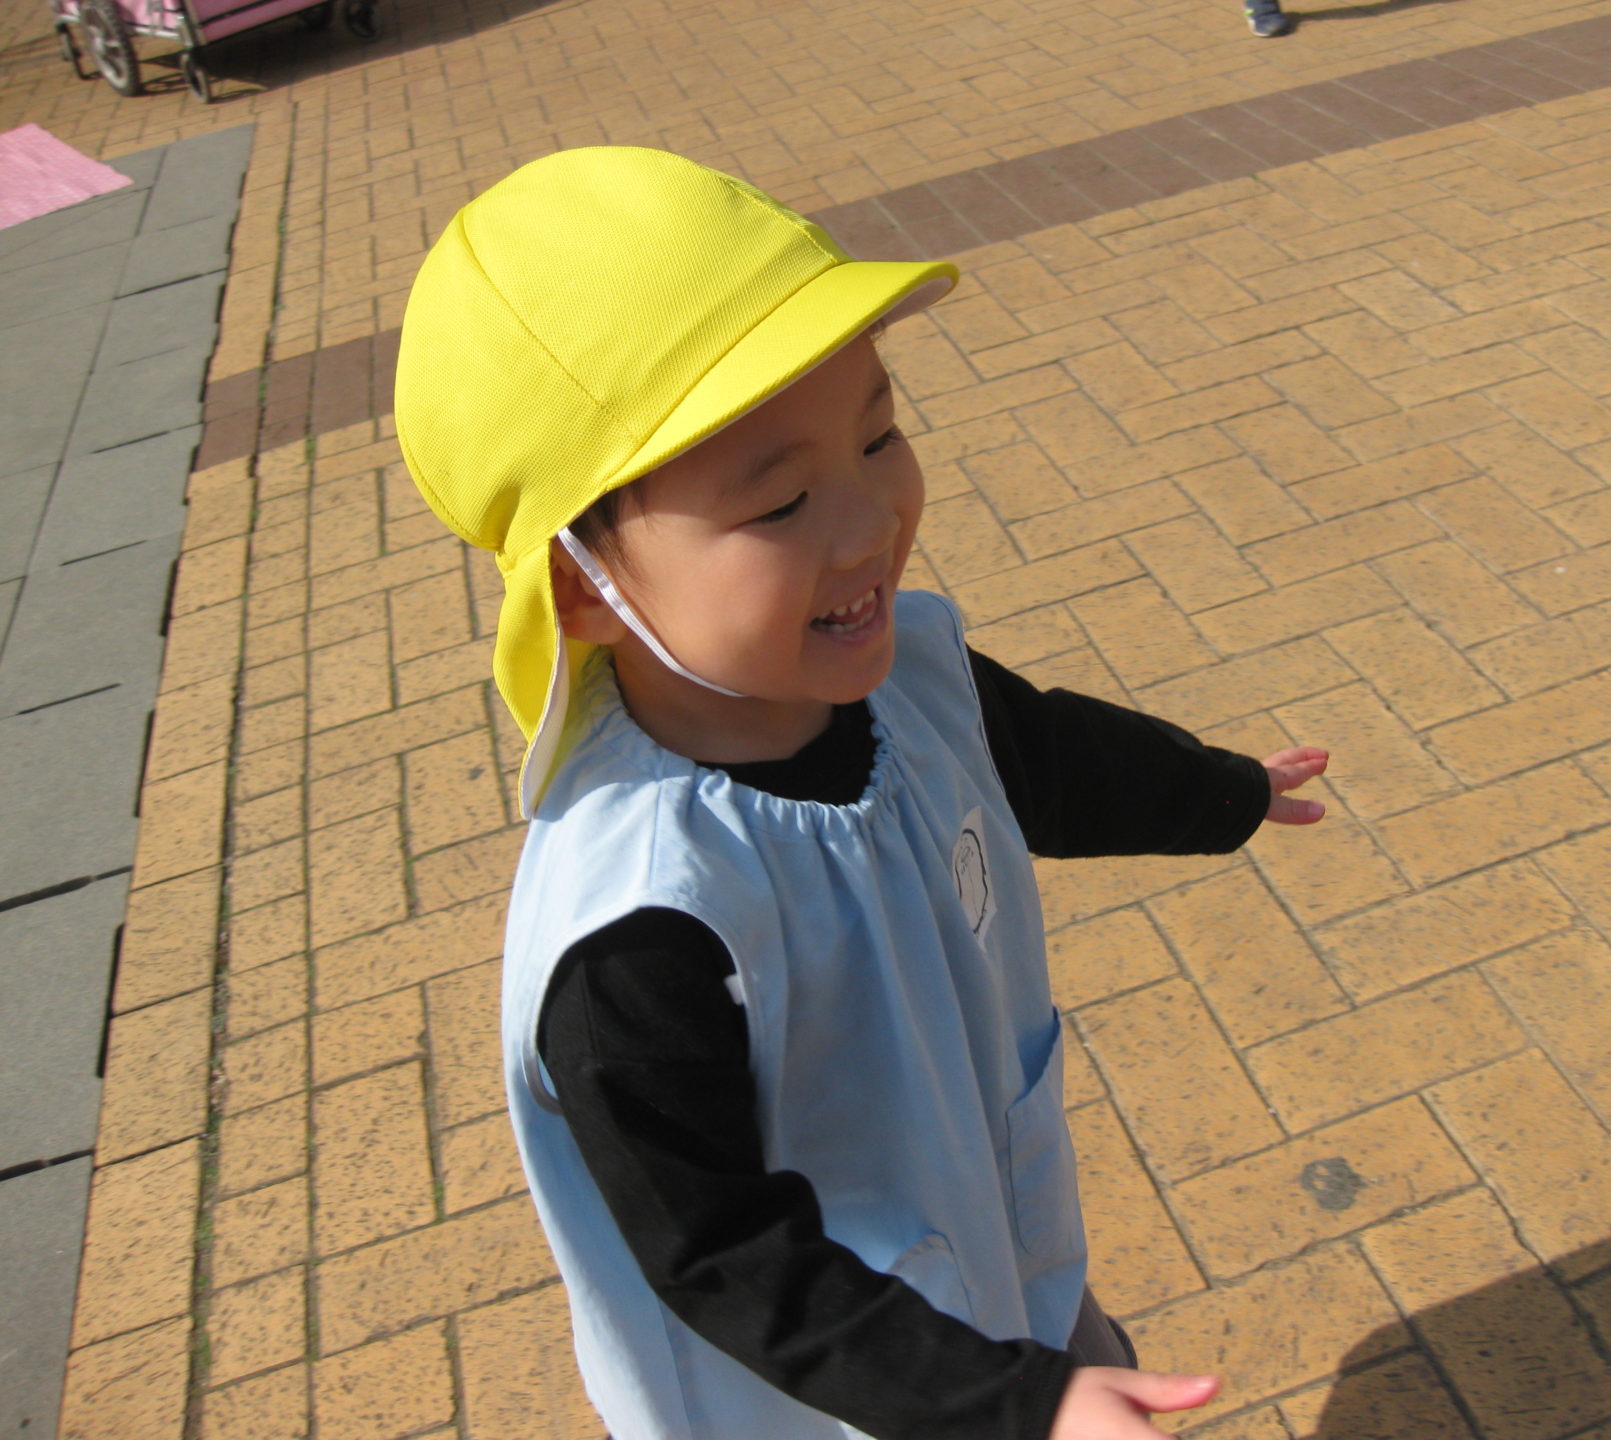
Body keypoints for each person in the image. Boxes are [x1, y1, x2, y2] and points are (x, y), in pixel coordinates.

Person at [393, 147, 1330, 1440]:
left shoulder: (916, 684)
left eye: (880, 435)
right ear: (581, 587)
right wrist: (1014, 1409)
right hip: (835, 1396)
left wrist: (1219, 792)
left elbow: (1043, 759)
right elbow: (724, 1255)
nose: (871, 521)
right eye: (780, 500)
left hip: (1008, 1287)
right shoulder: (639, 934)